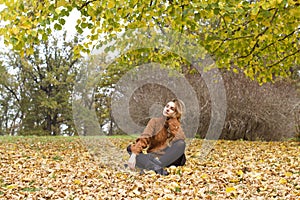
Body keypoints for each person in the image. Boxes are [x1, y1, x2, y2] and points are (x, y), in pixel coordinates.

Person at [126, 99, 186, 175]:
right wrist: (134, 154)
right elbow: (145, 137)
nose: (167, 109)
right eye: (167, 106)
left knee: (181, 144)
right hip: (154, 156)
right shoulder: (154, 121)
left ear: (176, 113)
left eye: (172, 109)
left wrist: (172, 122)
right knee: (130, 148)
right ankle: (155, 167)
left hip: (168, 158)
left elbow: (180, 139)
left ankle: (150, 164)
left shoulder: (176, 125)